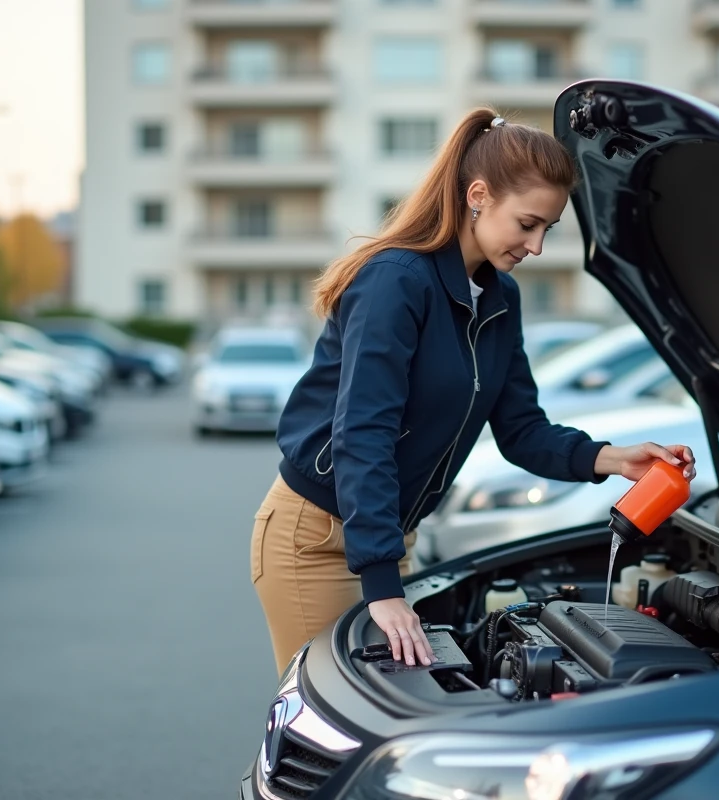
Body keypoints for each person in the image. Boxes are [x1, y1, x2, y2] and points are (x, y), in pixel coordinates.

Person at [250, 107, 696, 675]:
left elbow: (522, 432)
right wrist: (384, 586)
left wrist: (611, 459)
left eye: (548, 230)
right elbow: (363, 433)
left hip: (386, 536)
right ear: (478, 195)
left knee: (398, 706)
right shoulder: (396, 282)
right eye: (527, 223)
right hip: (315, 540)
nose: (536, 246)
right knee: (335, 720)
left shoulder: (500, 301)